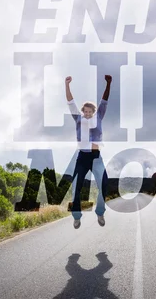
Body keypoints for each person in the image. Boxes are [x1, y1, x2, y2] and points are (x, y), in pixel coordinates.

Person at [66, 74, 111, 229]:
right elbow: (70, 102)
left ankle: (100, 212)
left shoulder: (99, 117)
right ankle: (77, 216)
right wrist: (67, 85)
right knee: (76, 187)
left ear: (94, 111)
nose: (87, 113)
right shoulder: (78, 119)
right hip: (82, 158)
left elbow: (104, 101)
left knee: (104, 183)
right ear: (82, 112)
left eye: (89, 111)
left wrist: (108, 84)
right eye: (85, 111)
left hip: (96, 157)